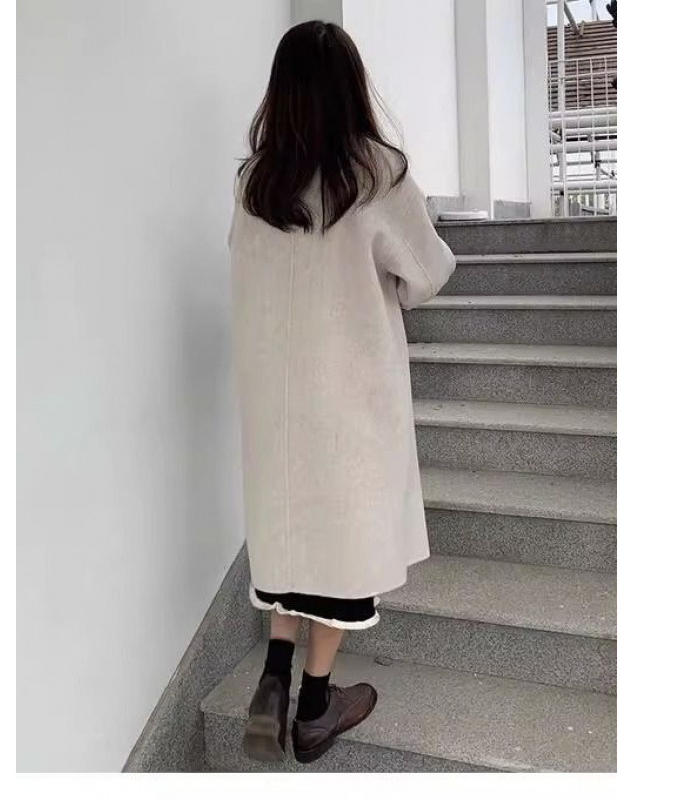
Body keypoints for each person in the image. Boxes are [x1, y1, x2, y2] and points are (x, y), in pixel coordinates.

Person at [227, 20, 456, 765]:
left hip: (276, 402)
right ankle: (316, 705)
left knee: (292, 540)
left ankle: (273, 674)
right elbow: (428, 272)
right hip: (349, 401)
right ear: (351, 86)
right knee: (343, 556)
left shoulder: (256, 182)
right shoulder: (376, 174)